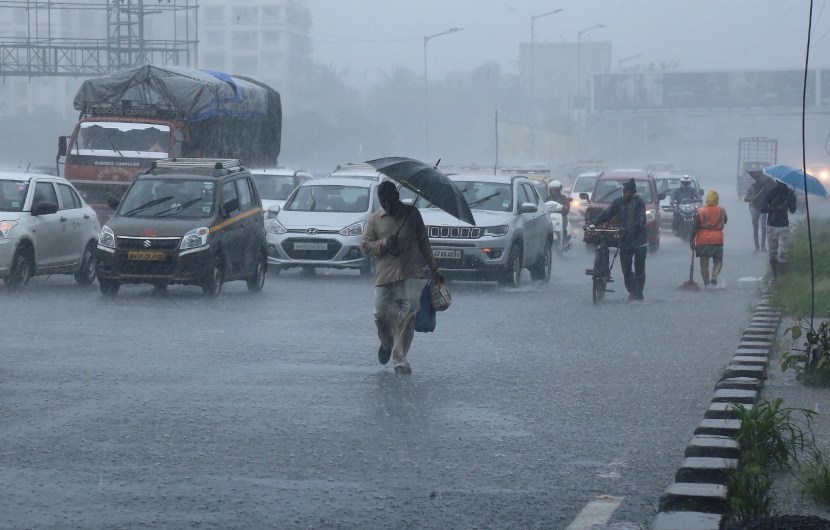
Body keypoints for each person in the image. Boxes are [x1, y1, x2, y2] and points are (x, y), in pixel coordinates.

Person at [362, 181, 442, 375]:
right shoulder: (375, 220)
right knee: (381, 315)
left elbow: (424, 243)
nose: (386, 204)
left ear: (396, 197)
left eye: (389, 200)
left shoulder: (412, 215)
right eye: (382, 201)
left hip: (410, 273)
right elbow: (365, 245)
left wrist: (434, 268)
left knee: (409, 314)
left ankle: (400, 359)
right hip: (385, 276)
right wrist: (384, 243)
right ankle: (387, 343)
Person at [587, 178, 648, 301]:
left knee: (639, 270)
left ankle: (638, 294)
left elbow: (641, 221)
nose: (627, 194)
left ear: (634, 192)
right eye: (625, 192)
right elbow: (607, 214)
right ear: (623, 192)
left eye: (629, 192)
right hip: (625, 242)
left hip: (639, 241)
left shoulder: (640, 203)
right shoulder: (618, 203)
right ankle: (633, 291)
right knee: (626, 271)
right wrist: (594, 223)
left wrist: (627, 230)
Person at [690, 190, 727, 288]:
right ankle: (714, 276)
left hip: (703, 240)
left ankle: (707, 284)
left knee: (704, 263)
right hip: (717, 239)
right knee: (718, 261)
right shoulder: (722, 210)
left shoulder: (701, 211)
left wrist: (691, 240)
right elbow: (725, 220)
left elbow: (695, 227)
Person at [760, 180, 797, 278]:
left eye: (784, 183)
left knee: (783, 253)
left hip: (784, 226)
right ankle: (775, 275)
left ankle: (782, 276)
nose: (782, 184)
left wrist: (790, 200)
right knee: (772, 253)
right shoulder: (771, 192)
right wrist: (776, 208)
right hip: (771, 225)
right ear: (777, 181)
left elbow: (793, 210)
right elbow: (762, 208)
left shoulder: (790, 193)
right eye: (780, 182)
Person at [744, 171, 774, 252]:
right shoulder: (751, 187)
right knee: (755, 228)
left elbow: (769, 198)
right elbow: (745, 198)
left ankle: (763, 246)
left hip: (763, 208)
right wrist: (753, 198)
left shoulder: (765, 187)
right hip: (753, 208)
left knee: (763, 227)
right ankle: (757, 246)